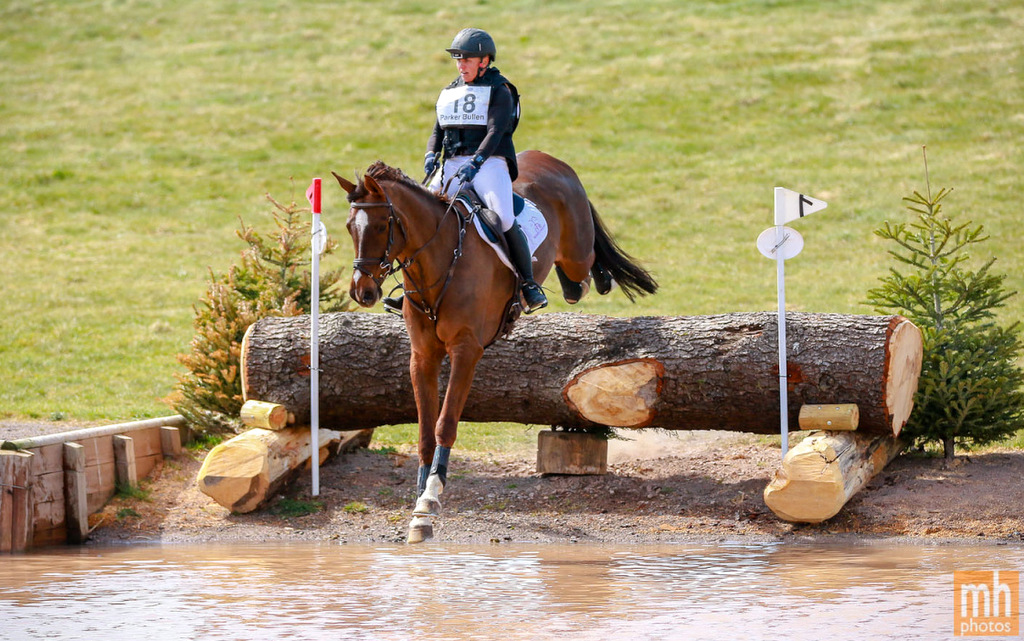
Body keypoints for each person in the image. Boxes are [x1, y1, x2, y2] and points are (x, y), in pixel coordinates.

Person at [384, 28, 547, 315]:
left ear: (484, 61)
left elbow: (496, 131)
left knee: (504, 217)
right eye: (458, 60)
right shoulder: (451, 91)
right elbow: (437, 129)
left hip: (489, 162)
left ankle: (528, 284)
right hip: (453, 162)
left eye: (467, 60)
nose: (461, 66)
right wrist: (431, 154)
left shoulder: (500, 89)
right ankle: (411, 291)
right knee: (420, 214)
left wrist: (478, 161)